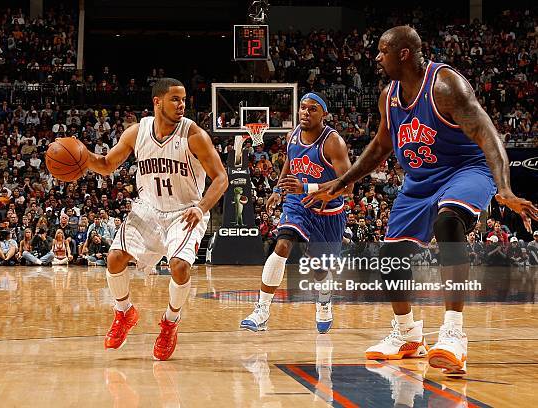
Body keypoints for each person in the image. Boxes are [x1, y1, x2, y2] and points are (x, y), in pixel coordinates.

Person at [303, 26, 538, 376]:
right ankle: (409, 335)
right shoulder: (388, 97)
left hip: (465, 170)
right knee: (390, 257)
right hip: (420, 181)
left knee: (448, 222)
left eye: (383, 51)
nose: (377, 57)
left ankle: (454, 332)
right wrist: (341, 182)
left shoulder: (445, 86)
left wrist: (503, 187)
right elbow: (381, 147)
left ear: (404, 54)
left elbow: (489, 136)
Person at [83, 78, 228, 360]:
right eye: (175, 99)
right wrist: (81, 155)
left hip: (184, 210)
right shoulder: (137, 132)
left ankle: (170, 323)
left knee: (179, 266)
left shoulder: (193, 135)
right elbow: (105, 165)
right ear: (157, 101)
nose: (181, 104)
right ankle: (124, 313)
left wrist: (201, 208)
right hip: (147, 210)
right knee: (114, 259)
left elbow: (221, 178)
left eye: (184, 99)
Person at [239, 92, 351, 334]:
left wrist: (308, 187)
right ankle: (261, 310)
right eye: (302, 108)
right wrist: (279, 189)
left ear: (324, 115)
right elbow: (290, 164)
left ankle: (323, 301)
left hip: (328, 211)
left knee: (320, 269)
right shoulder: (292, 136)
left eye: (312, 109)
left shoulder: (333, 142)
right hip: (298, 203)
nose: (305, 113)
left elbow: (348, 186)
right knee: (282, 246)